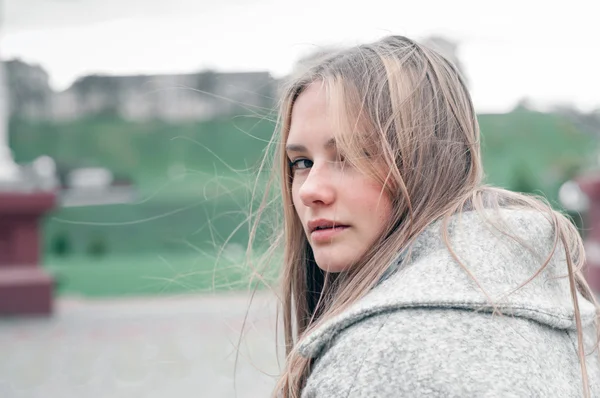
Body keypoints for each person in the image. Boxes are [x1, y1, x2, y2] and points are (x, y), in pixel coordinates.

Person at [249, 35, 600, 397]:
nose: (309, 190)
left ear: (427, 165)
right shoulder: (560, 315)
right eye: (302, 163)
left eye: (351, 155)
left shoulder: (377, 359)